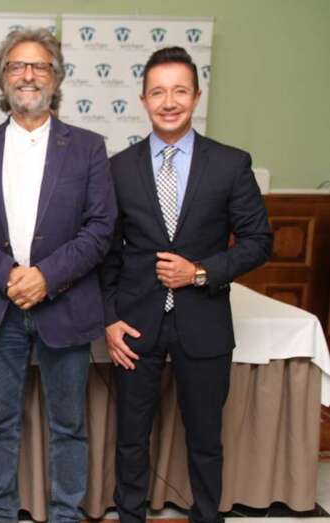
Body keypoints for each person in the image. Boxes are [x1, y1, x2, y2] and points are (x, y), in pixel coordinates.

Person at [101, 46, 272, 523]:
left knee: (205, 438)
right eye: (158, 91)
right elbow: (106, 253)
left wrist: (200, 272)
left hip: (205, 320)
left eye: (179, 90)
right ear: (143, 99)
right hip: (135, 325)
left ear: (196, 96)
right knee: (131, 437)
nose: (169, 101)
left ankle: (206, 516)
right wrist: (110, 318)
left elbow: (260, 241)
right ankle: (130, 515)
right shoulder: (118, 168)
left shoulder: (230, 164)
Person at [0, 28, 116, 522]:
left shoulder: (90, 148)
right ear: (2, 78)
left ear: (57, 77)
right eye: (17, 66)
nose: (28, 75)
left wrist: (46, 278)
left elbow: (100, 228)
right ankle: (2, 514)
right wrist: (9, 274)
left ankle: (67, 514)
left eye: (39, 66)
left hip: (66, 305)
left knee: (68, 424)